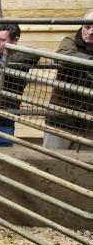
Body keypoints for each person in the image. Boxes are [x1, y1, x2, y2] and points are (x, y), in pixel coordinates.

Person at [43, 10, 92, 150]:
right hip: (61, 118)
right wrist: (90, 62)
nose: (90, 32)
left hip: (89, 122)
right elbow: (63, 55)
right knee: (52, 159)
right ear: (82, 25)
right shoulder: (70, 40)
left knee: (84, 164)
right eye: (87, 27)